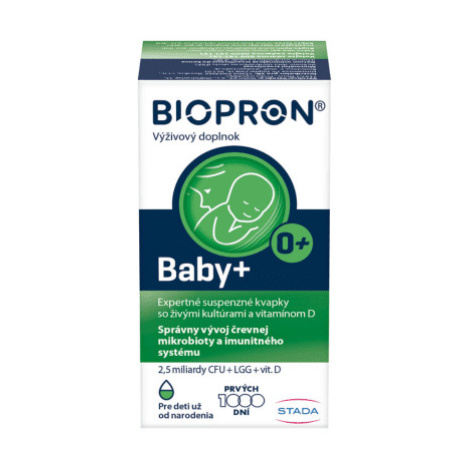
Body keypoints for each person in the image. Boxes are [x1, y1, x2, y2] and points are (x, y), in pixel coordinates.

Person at [194, 173, 275, 246]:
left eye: (257, 209)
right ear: (231, 197)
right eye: (245, 203)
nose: (249, 211)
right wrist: (246, 228)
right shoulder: (223, 213)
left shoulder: (229, 212)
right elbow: (224, 238)